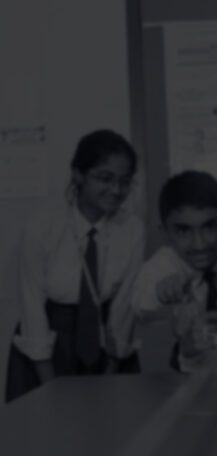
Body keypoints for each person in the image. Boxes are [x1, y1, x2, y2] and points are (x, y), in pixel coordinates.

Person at [5, 129, 144, 402]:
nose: (116, 190)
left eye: (124, 181)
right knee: (45, 424)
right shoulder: (42, 227)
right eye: (105, 178)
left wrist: (112, 368)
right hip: (46, 347)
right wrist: (49, 387)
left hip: (107, 344)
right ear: (78, 174)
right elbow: (32, 309)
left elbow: (124, 307)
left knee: (110, 421)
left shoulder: (132, 229)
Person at [131, 171, 217, 371]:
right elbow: (142, 302)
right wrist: (162, 292)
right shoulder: (163, 266)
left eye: (209, 227)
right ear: (165, 234)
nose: (199, 244)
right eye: (184, 231)